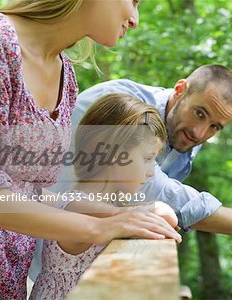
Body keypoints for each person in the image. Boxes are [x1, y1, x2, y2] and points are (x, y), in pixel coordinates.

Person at [0, 1, 180, 299]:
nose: (135, 20)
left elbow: (25, 193)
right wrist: (96, 228)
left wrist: (121, 214)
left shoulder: (66, 76)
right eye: (133, 1)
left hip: (7, 284)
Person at [47, 64, 232, 266]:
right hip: (33, 260)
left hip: (98, 270)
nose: (200, 133)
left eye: (215, 126)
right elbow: (155, 191)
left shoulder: (185, 134)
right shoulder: (119, 106)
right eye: (199, 113)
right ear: (180, 91)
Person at [30, 93, 177, 300]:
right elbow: (167, 214)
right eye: (146, 158)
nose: (151, 171)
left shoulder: (103, 204)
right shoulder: (81, 206)